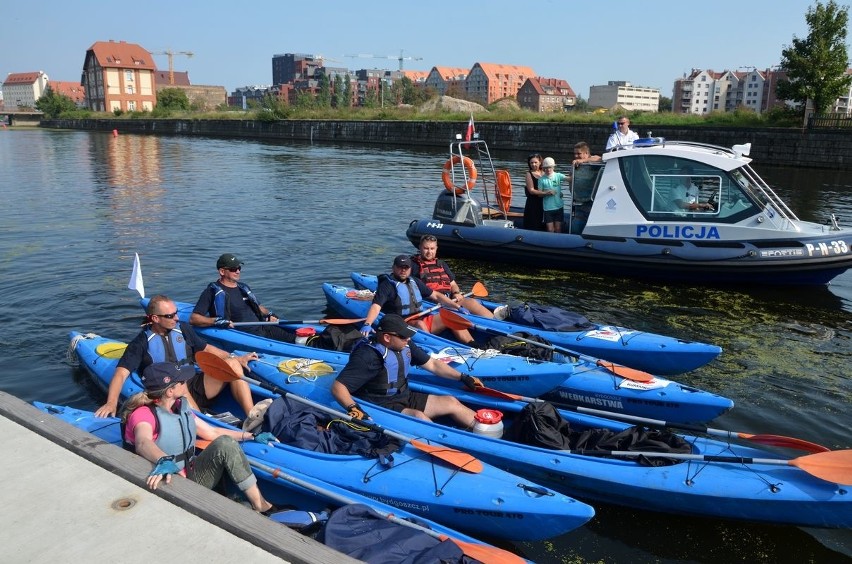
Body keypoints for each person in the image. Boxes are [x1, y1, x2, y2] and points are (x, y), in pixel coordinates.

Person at [122, 362, 278, 514]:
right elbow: (143, 442)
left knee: (225, 443)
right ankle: (259, 507)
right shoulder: (143, 414)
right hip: (168, 482)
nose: (187, 383)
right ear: (170, 391)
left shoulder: (178, 407)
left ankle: (261, 505)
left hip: (188, 474)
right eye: (182, 381)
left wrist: (250, 435)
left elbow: (212, 432)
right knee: (226, 444)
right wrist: (164, 461)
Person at [95, 294, 256, 418]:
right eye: (170, 316)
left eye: (176, 313)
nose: (177, 318)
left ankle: (251, 417)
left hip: (194, 384)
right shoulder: (141, 342)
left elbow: (207, 348)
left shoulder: (183, 329)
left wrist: (236, 358)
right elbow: (121, 373)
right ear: (155, 318)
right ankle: (204, 423)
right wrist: (111, 403)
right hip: (168, 394)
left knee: (232, 364)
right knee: (180, 386)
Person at [332, 315, 481, 427]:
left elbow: (433, 365)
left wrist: (462, 377)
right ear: (387, 337)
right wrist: (354, 408)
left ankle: (486, 431)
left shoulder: (405, 346)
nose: (408, 339)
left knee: (451, 402)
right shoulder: (368, 356)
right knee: (418, 417)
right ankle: (450, 447)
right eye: (403, 336)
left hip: (404, 395)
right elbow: (338, 387)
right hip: (381, 403)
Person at [360, 254, 476, 344]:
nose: (403, 270)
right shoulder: (387, 285)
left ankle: (473, 345)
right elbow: (376, 306)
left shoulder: (414, 281)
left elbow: (436, 296)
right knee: (420, 324)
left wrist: (458, 307)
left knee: (451, 317)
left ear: (410, 269)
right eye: (400, 267)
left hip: (420, 317)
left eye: (406, 267)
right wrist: (368, 323)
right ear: (394, 268)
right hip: (402, 323)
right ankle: (435, 348)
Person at [190, 253, 295, 343]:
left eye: (239, 268)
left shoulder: (243, 287)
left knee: (301, 339)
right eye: (233, 269)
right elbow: (194, 319)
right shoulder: (211, 292)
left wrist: (269, 314)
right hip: (247, 336)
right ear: (222, 271)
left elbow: (258, 307)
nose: (238, 271)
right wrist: (216, 321)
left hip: (264, 327)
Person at [410, 234, 500, 319]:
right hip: (431, 302)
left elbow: (453, 284)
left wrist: (456, 293)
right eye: (426, 248)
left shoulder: (441, 264)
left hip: (450, 299)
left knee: (472, 302)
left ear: (436, 248)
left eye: (432, 248)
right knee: (465, 307)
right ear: (420, 248)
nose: (429, 252)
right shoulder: (413, 265)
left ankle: (495, 321)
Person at [538, 157, 569, 233]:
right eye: (546, 168)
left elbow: (569, 179)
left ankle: (559, 243)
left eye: (550, 167)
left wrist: (574, 170)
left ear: (553, 167)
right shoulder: (541, 179)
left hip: (559, 207)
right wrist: (547, 193)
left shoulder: (558, 175)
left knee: (558, 229)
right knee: (550, 229)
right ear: (543, 168)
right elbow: (539, 194)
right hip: (548, 209)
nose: (548, 170)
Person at [522, 153, 547, 231]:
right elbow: (531, 190)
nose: (533, 164)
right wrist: (545, 193)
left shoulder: (546, 172)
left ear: (540, 162)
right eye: (531, 163)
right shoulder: (529, 174)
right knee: (533, 223)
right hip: (533, 203)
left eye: (535, 162)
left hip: (546, 202)